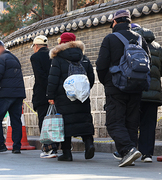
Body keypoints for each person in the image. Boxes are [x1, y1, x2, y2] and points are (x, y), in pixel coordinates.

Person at [96, 10, 150, 167]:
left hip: (116, 86)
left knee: (113, 122)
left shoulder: (110, 39)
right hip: (137, 86)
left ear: (114, 23)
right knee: (131, 122)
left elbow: (101, 64)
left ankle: (128, 150)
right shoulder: (140, 39)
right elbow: (148, 62)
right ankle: (128, 153)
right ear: (128, 21)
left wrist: (106, 81)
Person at [47, 32, 95, 162]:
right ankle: (89, 143)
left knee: (65, 123)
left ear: (62, 43)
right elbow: (91, 77)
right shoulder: (83, 58)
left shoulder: (58, 59)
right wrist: (82, 91)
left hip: (63, 97)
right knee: (84, 119)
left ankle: (67, 153)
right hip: (82, 97)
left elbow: (53, 79)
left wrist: (50, 95)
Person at [131, 23, 162, 163]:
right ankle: (147, 154)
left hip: (135, 90)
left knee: (130, 122)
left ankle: (129, 150)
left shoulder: (132, 44)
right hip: (153, 93)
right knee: (149, 124)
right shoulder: (157, 47)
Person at [30, 35, 57, 158]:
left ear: (36, 46)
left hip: (42, 94)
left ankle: (48, 148)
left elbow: (40, 77)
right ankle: (56, 145)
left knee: (43, 120)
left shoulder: (35, 57)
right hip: (56, 92)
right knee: (55, 120)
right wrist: (53, 91)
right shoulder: (54, 55)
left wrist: (47, 92)